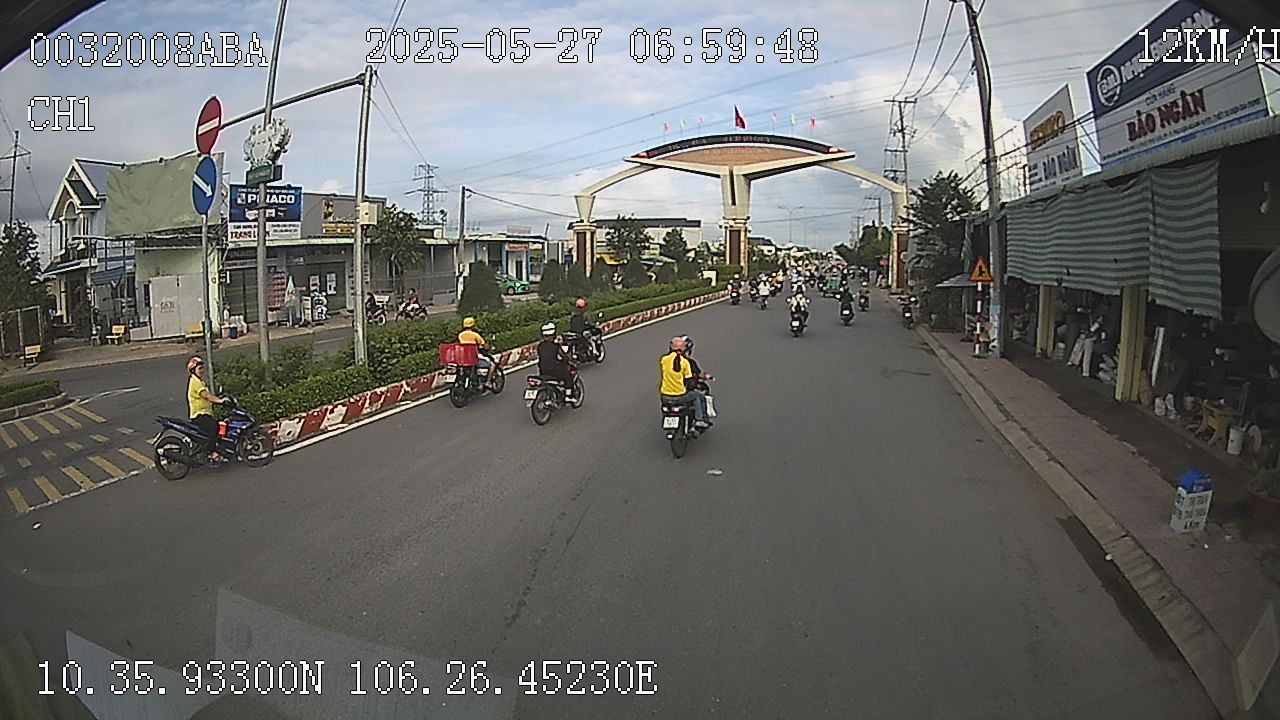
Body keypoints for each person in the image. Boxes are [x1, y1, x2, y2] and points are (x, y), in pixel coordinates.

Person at [659, 337, 709, 428]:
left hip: (665, 396)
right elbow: (690, 382)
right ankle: (700, 420)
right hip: (679, 396)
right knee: (698, 396)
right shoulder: (685, 362)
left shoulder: (664, 360)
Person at [186, 356, 227, 462]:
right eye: (199, 368)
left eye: (202, 368)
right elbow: (207, 396)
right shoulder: (195, 382)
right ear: (193, 371)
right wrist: (220, 401)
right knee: (214, 427)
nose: (202, 370)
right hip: (199, 415)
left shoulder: (199, 381)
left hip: (205, 413)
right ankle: (208, 451)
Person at [536, 322, 576, 400]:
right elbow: (564, 356)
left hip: (543, 371)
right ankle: (568, 396)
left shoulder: (540, 346)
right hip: (555, 370)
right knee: (568, 377)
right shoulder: (555, 346)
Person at [457, 317, 496, 391]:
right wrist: (489, 348)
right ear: (473, 325)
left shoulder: (460, 335)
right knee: (492, 365)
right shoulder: (475, 335)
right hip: (474, 357)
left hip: (463, 358)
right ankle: (488, 382)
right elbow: (484, 345)